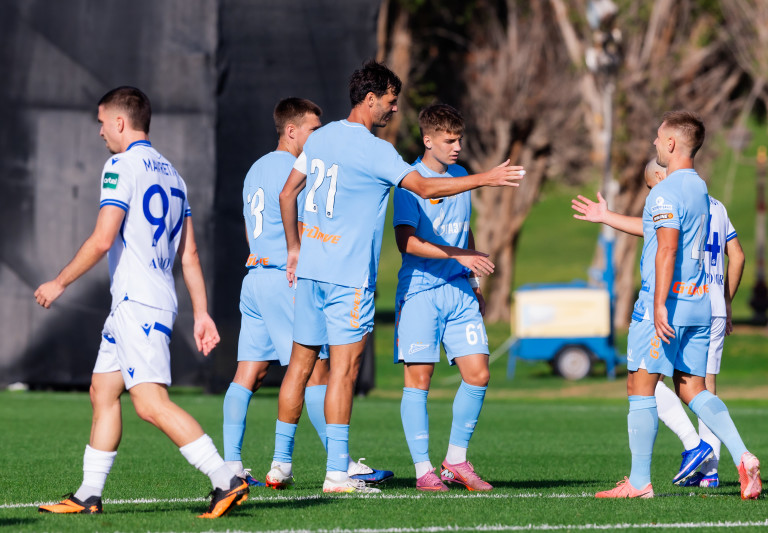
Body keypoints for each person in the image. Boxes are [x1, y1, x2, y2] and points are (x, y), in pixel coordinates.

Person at [276, 60, 524, 494]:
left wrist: (296, 248)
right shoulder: (375, 149)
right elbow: (424, 189)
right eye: (391, 102)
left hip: (312, 271)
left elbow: (287, 193)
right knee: (343, 373)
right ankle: (338, 472)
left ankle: (280, 465)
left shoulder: (322, 136)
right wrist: (489, 178)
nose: (394, 111)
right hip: (348, 277)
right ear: (370, 100)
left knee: (300, 367)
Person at [34, 86, 248, 518]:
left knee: (150, 403)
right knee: (103, 391)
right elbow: (188, 254)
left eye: (101, 122)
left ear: (119, 121)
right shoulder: (173, 174)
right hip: (142, 303)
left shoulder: (120, 165)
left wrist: (59, 282)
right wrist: (201, 312)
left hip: (139, 303)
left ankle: (226, 478)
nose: (99, 132)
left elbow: (102, 238)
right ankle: (88, 494)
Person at [572, 111, 760, 500]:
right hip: (699, 305)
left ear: (671, 144)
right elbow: (660, 231)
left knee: (639, 386)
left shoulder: (664, 191)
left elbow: (668, 247)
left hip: (668, 305)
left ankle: (639, 482)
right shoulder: (700, 189)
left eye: (659, 137)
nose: (655, 143)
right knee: (692, 388)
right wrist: (606, 216)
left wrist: (658, 305)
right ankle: (743, 456)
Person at [222, 97, 391, 489]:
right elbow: (304, 221)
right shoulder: (301, 167)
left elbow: (251, 228)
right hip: (287, 277)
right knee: (317, 370)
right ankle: (341, 464)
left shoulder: (255, 168)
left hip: (255, 276)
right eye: (313, 129)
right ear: (291, 130)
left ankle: (231, 465)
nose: (318, 136)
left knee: (248, 374)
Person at [393, 104, 494, 492]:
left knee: (479, 373)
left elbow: (463, 232)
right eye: (449, 140)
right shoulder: (408, 182)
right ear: (428, 139)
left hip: (459, 290)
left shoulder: (462, 176)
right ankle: (423, 471)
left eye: (459, 140)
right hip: (419, 293)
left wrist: (473, 279)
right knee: (419, 380)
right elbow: (408, 243)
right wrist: (460, 256)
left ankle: (455, 461)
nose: (456, 147)